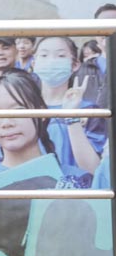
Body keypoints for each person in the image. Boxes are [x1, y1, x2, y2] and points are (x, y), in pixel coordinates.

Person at [30, 35, 105, 174]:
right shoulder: (25, 110)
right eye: (44, 55)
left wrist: (72, 117)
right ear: (34, 64)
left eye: (60, 55)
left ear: (75, 64)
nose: (51, 61)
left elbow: (94, 169)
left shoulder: (88, 110)